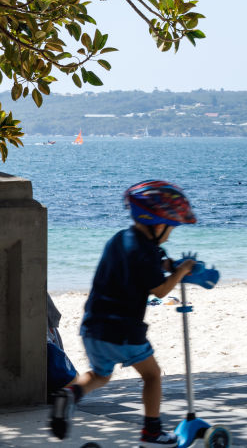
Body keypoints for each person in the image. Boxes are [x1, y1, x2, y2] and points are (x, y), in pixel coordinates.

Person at [50, 180, 199, 446]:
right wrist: (183, 270)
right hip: (124, 331)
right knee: (152, 375)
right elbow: (161, 289)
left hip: (93, 328)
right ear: (156, 223)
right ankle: (152, 431)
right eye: (171, 228)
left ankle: (71, 394)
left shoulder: (120, 239)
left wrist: (166, 263)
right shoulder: (146, 251)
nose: (170, 235)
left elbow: (143, 265)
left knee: (100, 374)